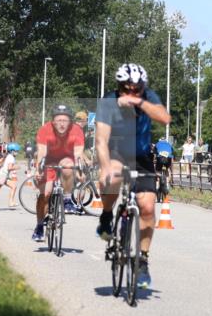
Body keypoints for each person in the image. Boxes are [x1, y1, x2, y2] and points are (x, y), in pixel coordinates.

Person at [95, 64, 171, 288]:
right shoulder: (109, 102)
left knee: (147, 207)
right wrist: (106, 167)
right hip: (116, 151)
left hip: (141, 155)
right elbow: (101, 140)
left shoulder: (147, 97)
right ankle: (107, 216)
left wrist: (140, 102)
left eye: (136, 89)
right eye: (126, 89)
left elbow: (165, 118)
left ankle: (142, 261)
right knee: (112, 177)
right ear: (119, 87)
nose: (131, 93)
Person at [32, 106, 86, 240]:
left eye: (65, 120)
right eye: (59, 120)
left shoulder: (77, 130)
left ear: (70, 121)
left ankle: (67, 199)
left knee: (68, 166)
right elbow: (42, 152)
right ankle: (39, 226)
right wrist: (38, 169)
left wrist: (80, 170)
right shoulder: (45, 129)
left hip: (67, 159)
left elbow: (78, 153)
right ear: (53, 121)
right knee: (45, 194)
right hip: (49, 161)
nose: (62, 123)